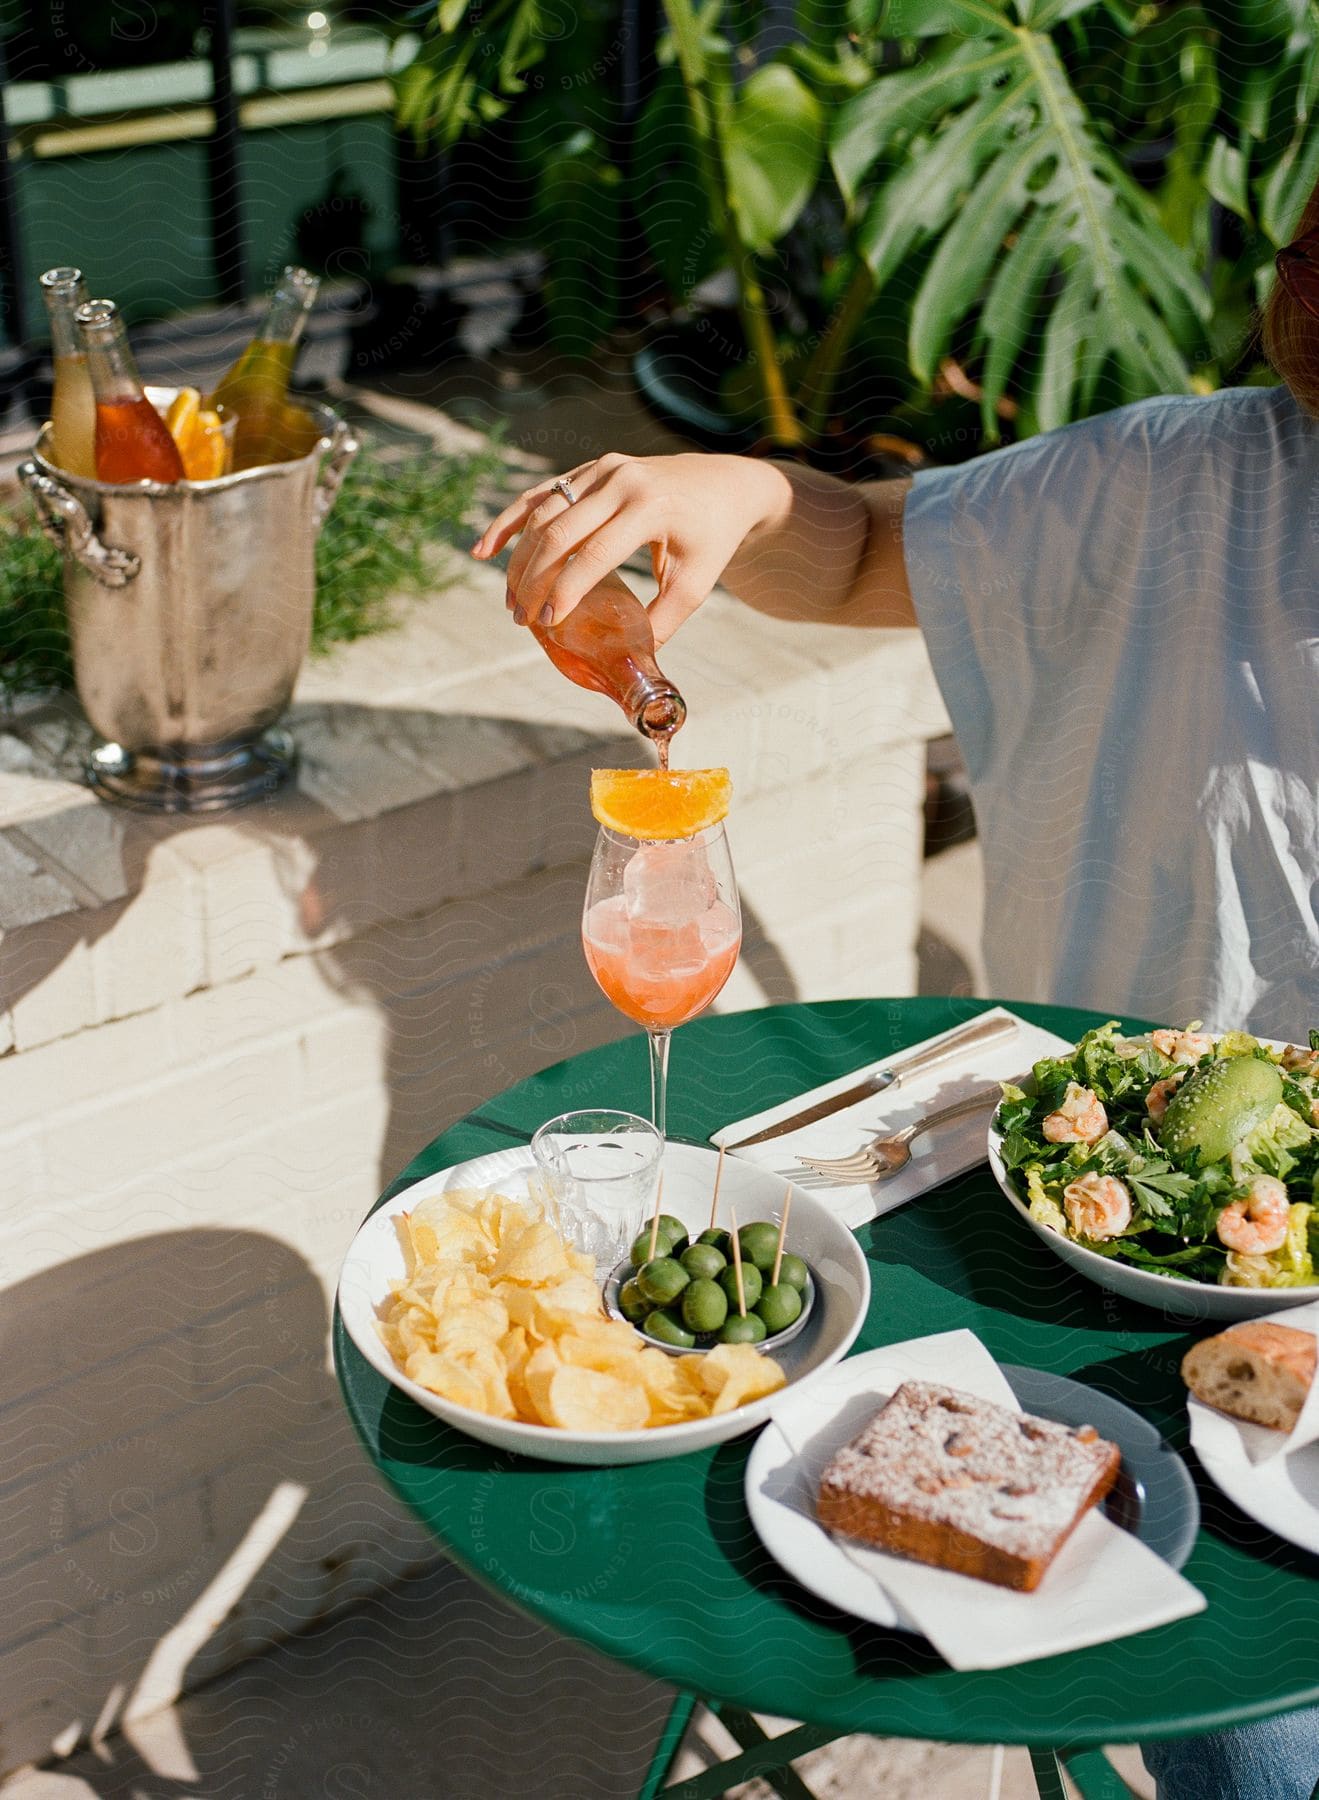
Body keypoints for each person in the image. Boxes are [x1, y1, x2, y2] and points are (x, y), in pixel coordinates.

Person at [473, 216, 1319, 1798]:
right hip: (1092, 1267)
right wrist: (731, 491)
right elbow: (866, 551)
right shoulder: (1191, 485)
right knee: (1255, 1749)